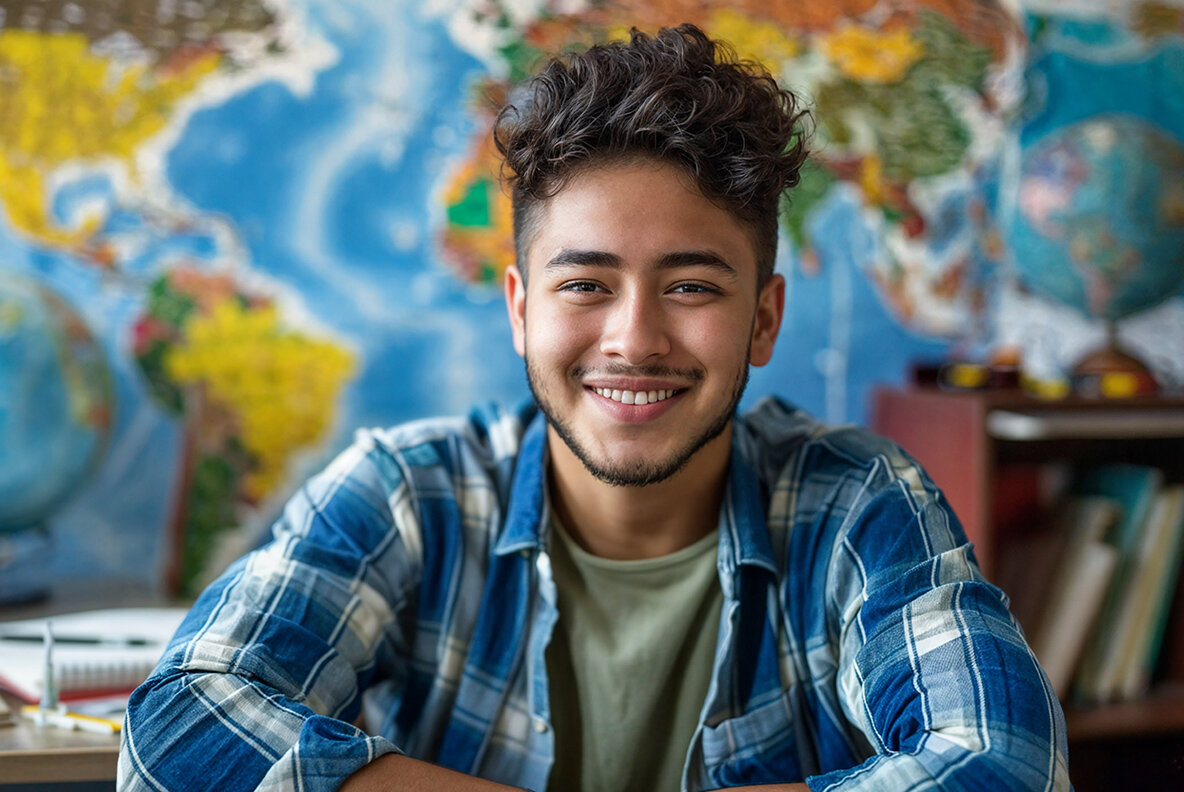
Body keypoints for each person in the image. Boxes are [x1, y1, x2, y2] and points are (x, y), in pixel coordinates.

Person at [118, 24, 1070, 792]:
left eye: (692, 287)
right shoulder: (410, 491)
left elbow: (1006, 765)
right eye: (584, 285)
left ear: (763, 320)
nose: (635, 339)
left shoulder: (857, 502)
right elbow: (176, 728)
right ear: (521, 311)